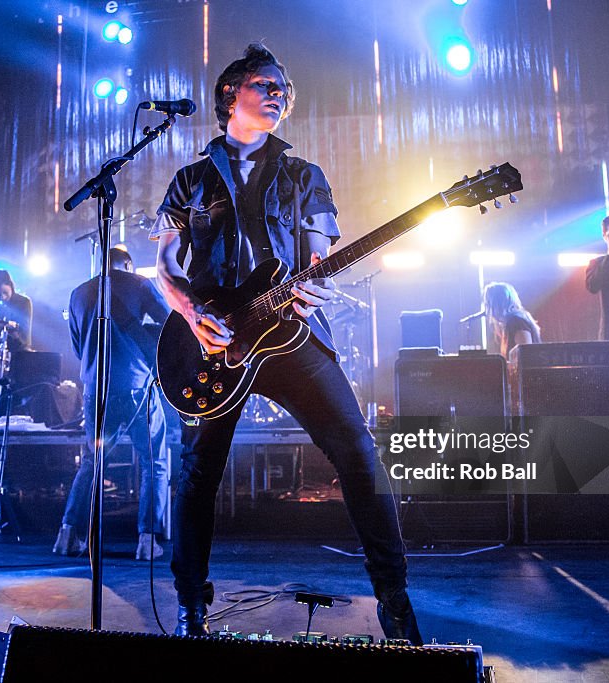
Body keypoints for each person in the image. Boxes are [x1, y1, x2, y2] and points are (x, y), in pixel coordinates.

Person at [150, 44, 421, 643]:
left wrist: (315, 281)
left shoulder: (305, 176)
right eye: (266, 84)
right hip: (214, 341)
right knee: (197, 473)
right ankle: (191, 604)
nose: (279, 94)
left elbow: (320, 256)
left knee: (357, 450)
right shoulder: (190, 180)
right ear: (230, 94)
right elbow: (165, 265)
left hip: (291, 332)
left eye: (285, 89)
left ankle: (396, 601)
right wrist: (192, 312)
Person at [54, 248, 170, 560]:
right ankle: (148, 540)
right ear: (128, 265)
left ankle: (67, 534)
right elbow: (172, 326)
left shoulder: (78, 293)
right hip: (136, 388)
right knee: (154, 462)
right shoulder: (140, 284)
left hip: (95, 391)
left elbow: (78, 348)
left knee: (93, 462)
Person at [483, 281, 542, 358]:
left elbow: (526, 354)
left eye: (488, 304)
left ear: (497, 303)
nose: (487, 309)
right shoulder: (509, 323)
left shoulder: (516, 322)